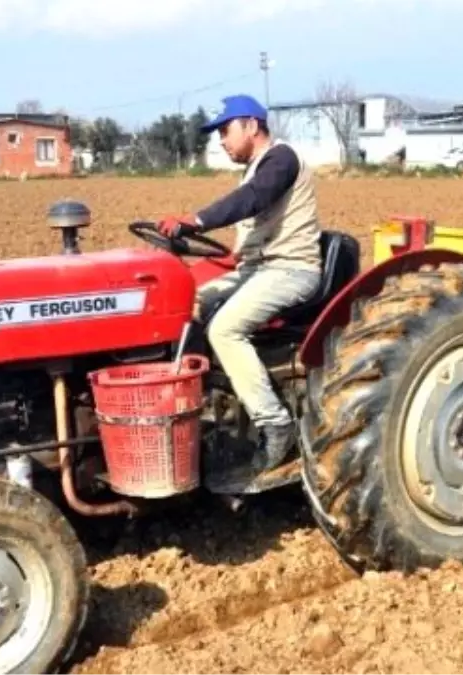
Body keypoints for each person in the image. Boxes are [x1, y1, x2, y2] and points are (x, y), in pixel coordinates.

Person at [155, 94, 322, 487]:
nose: (222, 141)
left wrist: (195, 221)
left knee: (225, 329)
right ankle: (202, 407)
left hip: (291, 269)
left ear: (251, 125)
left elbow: (252, 201)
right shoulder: (254, 169)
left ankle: (275, 425)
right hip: (256, 269)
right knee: (185, 306)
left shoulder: (281, 160)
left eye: (225, 131)